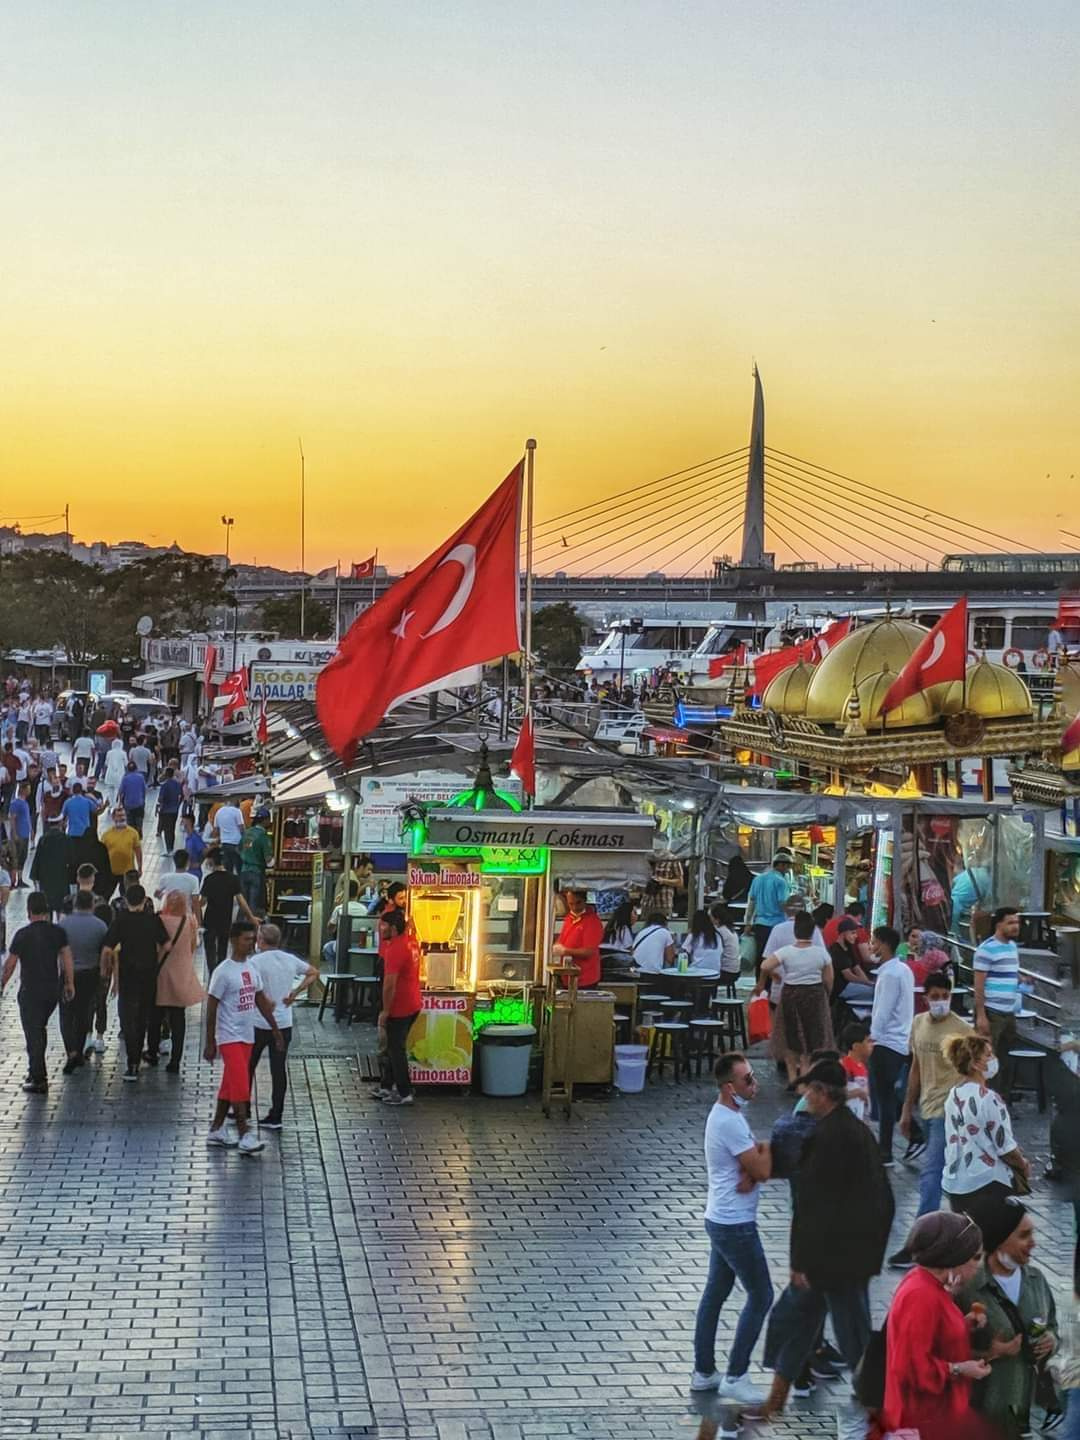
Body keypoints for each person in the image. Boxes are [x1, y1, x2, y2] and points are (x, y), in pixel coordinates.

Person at [745, 1058, 894, 1422]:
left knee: (850, 1334)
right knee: (799, 1320)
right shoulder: (852, 1132)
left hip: (834, 1261)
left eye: (810, 1089)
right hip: (843, 1257)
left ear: (823, 1093)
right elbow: (884, 1201)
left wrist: (802, 1264)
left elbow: (815, 1207)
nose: (805, 1095)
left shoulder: (829, 1138)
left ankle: (879, 1407)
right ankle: (777, 1399)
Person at [690, 1052, 773, 1405]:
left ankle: (704, 1371)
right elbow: (764, 1169)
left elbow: (753, 1166)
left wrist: (752, 1165)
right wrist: (759, 1158)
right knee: (761, 1294)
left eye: (752, 1077)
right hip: (735, 1224)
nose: (754, 1084)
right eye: (747, 1080)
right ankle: (736, 1374)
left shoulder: (727, 1115)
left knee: (716, 1292)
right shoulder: (730, 1121)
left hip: (722, 1218)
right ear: (729, 1087)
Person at [882, 1211, 995, 1439]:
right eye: (974, 1258)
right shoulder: (922, 1296)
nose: (978, 1266)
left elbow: (931, 1338)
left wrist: (963, 1325)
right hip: (922, 1422)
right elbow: (909, 1367)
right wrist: (961, 1369)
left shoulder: (928, 1284)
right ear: (955, 1256)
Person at [958, 1200, 1062, 1440]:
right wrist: (989, 1352)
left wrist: (1051, 1340)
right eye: (1024, 1235)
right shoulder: (968, 1288)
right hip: (981, 1412)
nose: (1033, 1243)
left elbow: (1053, 1327)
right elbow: (941, 1347)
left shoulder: (1037, 1280)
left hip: (1022, 1409)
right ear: (999, 1240)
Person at [889, 970, 973, 1265]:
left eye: (945, 997)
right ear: (925, 998)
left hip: (950, 1110)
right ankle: (957, 1235)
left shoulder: (962, 1030)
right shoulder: (918, 1024)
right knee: (946, 1175)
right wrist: (906, 1110)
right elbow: (916, 1069)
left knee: (931, 1173)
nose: (940, 1002)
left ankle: (920, 1242)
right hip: (926, 1106)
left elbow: (976, 1073)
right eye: (934, 997)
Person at [204, 921, 283, 1152]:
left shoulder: (251, 968)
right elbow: (211, 1006)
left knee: (230, 1084)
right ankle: (243, 1132)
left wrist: (275, 1029)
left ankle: (217, 1128)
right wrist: (210, 1041)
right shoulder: (223, 971)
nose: (250, 944)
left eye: (252, 939)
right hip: (229, 1036)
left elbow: (260, 1000)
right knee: (240, 1083)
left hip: (248, 1035)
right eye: (246, 939)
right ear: (233, 940)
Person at [942, 1032, 1030, 1215]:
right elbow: (1005, 1146)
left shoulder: (953, 1095)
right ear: (975, 1064)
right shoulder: (989, 1099)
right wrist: (1022, 1165)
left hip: (955, 1181)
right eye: (988, 1055)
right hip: (985, 1181)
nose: (993, 1059)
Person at [1, 890, 75, 1091]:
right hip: (52, 990)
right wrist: (69, 983)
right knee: (39, 1029)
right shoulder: (57, 932)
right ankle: (35, 1069)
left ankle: (39, 1078)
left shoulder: (23, 935)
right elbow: (67, 959)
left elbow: (10, 964)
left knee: (33, 1033)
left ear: (28, 910)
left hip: (30, 991)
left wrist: (2, 985)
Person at [249, 922, 316, 1128]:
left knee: (248, 1066)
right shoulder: (289, 959)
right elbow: (313, 972)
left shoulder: (255, 962)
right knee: (278, 1070)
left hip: (259, 1022)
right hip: (284, 1023)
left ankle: (241, 1107)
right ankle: (276, 1114)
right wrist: (295, 994)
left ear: (260, 940)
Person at [755, 911, 834, 1083]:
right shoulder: (821, 954)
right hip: (815, 995)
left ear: (795, 932)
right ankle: (808, 1076)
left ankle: (793, 1079)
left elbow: (764, 964)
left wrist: (774, 975)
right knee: (814, 1037)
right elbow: (829, 979)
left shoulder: (786, 952)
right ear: (813, 932)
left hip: (791, 995)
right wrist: (826, 994)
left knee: (791, 1037)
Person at [102, 883, 168, 1081]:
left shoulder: (120, 921)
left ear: (126, 900)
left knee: (128, 1017)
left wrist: (107, 971)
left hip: (127, 975)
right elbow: (167, 944)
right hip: (149, 975)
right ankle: (139, 1055)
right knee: (142, 1017)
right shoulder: (153, 920)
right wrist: (157, 961)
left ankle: (132, 1062)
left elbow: (107, 948)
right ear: (144, 900)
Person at [868, 924, 914, 1167]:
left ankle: (885, 1150)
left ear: (884, 944)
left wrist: (872, 1037)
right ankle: (915, 1134)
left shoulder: (889, 974)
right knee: (890, 1097)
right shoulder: (903, 970)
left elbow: (883, 1011)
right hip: (900, 1040)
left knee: (885, 1098)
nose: (871, 947)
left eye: (874, 942)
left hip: (887, 1042)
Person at [375, 907, 422, 1107]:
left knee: (395, 1049)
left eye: (384, 925)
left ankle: (404, 1092)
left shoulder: (396, 949)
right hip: (414, 1002)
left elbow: (389, 984)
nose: (380, 928)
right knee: (394, 1047)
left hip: (400, 1006)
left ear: (393, 928)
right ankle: (386, 1086)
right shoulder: (411, 941)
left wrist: (385, 1011)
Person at [58, 890, 108, 1074]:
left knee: (66, 1014)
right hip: (90, 974)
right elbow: (104, 952)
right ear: (92, 905)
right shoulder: (100, 926)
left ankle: (70, 1050)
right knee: (83, 1013)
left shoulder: (63, 925)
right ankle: (78, 1050)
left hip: (67, 975)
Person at [974, 906, 1021, 1094]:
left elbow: (1007, 973)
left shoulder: (1012, 947)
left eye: (1017, 922)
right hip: (992, 1011)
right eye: (1010, 922)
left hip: (1009, 1011)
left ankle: (1003, 1097)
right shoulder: (986, 949)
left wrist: (1022, 980)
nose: (1015, 926)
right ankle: (988, 1098)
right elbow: (978, 985)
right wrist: (981, 1016)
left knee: (1006, 1057)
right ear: (998, 924)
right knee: (989, 1059)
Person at [155, 889, 203, 1074]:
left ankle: (154, 1049)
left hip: (161, 974)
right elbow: (193, 945)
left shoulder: (160, 920)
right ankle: (176, 1058)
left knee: (157, 1015)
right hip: (182, 973)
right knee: (178, 1018)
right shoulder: (190, 921)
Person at [200, 847, 256, 972]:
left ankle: (211, 973)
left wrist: (195, 913)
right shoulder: (233, 879)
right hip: (225, 920)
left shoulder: (209, 879)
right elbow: (241, 902)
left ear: (211, 861)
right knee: (222, 950)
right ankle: (220, 972)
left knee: (210, 950)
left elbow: (202, 902)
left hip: (210, 920)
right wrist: (251, 917)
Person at [744, 855, 792, 978]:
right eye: (787, 866)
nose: (788, 870)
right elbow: (783, 903)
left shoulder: (758, 879)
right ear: (781, 865)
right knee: (775, 957)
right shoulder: (781, 881)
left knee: (761, 955)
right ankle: (772, 985)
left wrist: (748, 923)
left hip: (760, 924)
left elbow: (752, 902)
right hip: (777, 925)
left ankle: (760, 983)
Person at [552, 889, 604, 988]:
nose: (575, 907)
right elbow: (562, 939)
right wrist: (557, 946)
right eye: (571, 904)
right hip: (568, 977)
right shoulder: (569, 918)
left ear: (585, 900)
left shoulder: (593, 921)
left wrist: (565, 951)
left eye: (578, 903)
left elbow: (588, 952)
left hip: (585, 979)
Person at [829, 916, 876, 1005]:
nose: (856, 936)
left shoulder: (849, 947)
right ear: (843, 934)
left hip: (851, 985)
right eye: (853, 933)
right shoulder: (836, 950)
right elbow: (848, 976)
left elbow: (857, 968)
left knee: (875, 990)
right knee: (875, 993)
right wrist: (867, 982)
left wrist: (867, 983)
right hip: (841, 988)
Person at [29, 817, 69, 918]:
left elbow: (37, 859)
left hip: (46, 880)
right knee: (61, 907)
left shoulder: (43, 839)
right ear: (60, 823)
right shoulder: (66, 838)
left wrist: (35, 876)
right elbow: (72, 859)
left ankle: (48, 929)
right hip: (62, 879)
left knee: (47, 907)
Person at [680, 907, 739, 974]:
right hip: (716, 974)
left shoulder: (695, 936)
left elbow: (683, 953)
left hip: (699, 975)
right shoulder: (719, 935)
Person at [100, 805, 142, 899]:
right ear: (113, 818)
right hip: (111, 872)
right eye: (119, 816)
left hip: (127, 873)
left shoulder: (133, 833)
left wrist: (140, 867)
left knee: (127, 896)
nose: (122, 818)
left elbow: (138, 850)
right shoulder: (106, 835)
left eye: (123, 815)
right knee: (106, 895)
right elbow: (102, 854)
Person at [238, 808, 272, 917]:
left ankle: (241, 927)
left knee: (243, 903)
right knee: (253, 904)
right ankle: (252, 928)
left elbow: (238, 849)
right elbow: (269, 860)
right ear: (265, 820)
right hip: (256, 872)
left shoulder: (247, 832)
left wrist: (246, 857)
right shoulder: (263, 836)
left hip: (244, 871)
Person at [839, 1020, 872, 1123]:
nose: (872, 1045)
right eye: (868, 1041)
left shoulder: (863, 1067)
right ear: (856, 1046)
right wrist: (857, 1093)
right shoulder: (844, 1065)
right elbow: (838, 1093)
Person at [7, 783, 32, 887]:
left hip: (25, 833)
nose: (29, 791)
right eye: (28, 789)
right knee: (15, 857)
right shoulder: (16, 803)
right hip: (19, 834)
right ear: (23, 789)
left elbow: (27, 818)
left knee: (23, 856)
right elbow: (12, 819)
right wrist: (15, 833)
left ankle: (20, 879)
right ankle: (12, 881)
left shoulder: (25, 803)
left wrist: (31, 830)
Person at [212, 799, 246, 874]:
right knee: (239, 868)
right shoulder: (237, 811)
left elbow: (216, 830)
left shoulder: (219, 812)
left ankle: (229, 884)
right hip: (236, 843)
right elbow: (241, 829)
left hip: (225, 843)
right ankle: (239, 884)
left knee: (228, 869)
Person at [156, 766, 183, 853]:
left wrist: (160, 804)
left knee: (167, 831)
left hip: (166, 810)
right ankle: (171, 847)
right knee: (172, 829)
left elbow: (161, 798)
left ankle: (169, 849)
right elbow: (181, 795)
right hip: (175, 810)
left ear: (166, 774)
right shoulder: (177, 784)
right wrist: (177, 804)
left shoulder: (165, 785)